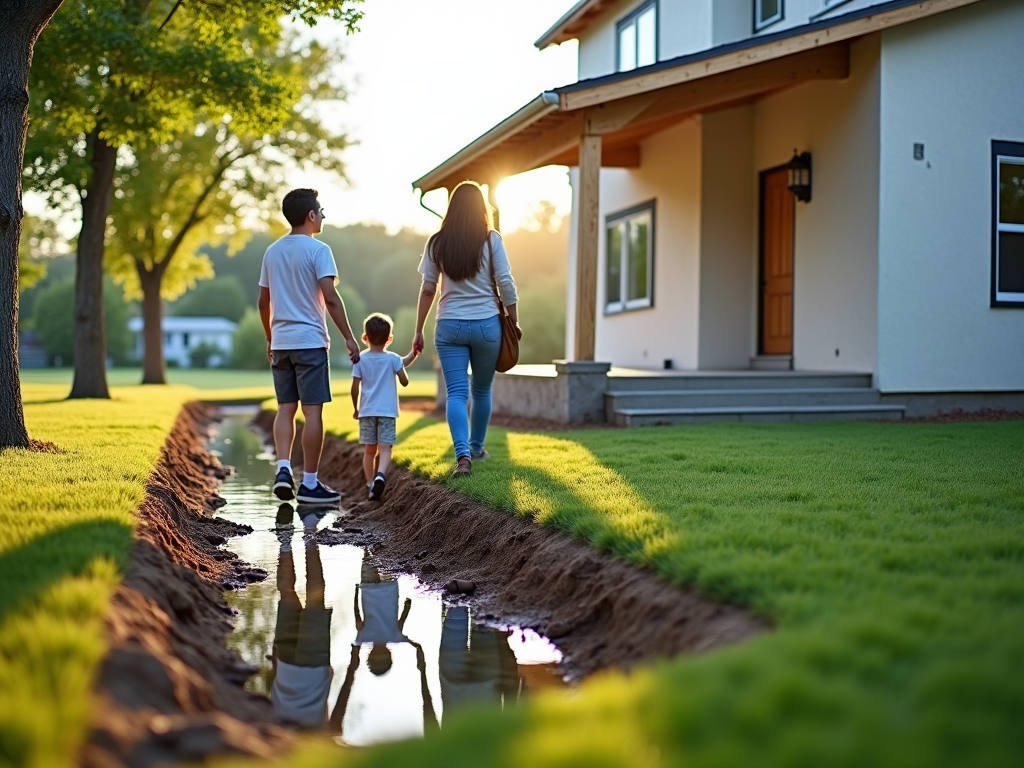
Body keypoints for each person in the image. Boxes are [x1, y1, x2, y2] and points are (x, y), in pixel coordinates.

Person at [258, 188, 360, 505]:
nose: (323, 216)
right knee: (312, 412)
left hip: (282, 342)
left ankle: (284, 470)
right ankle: (311, 485)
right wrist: (349, 336)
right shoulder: (319, 250)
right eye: (321, 210)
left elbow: (264, 302)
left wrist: (269, 338)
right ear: (311, 216)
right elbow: (330, 297)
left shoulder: (271, 252)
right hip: (311, 342)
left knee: (285, 409)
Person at [413, 181, 520, 478]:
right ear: (481, 209)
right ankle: (475, 448)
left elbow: (427, 289)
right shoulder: (491, 240)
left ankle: (462, 456)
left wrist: (419, 329)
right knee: (482, 389)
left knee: (457, 394)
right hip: (487, 326)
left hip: (448, 327)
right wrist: (513, 320)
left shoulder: (437, 242)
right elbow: (506, 284)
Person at [270, 504, 334, 729]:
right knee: (287, 593)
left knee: (315, 598)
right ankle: (285, 541)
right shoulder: (279, 736)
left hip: (315, 667)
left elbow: (336, 722)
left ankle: (310, 535)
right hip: (285, 669)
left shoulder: (317, 742)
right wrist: (276, 655)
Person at [351, 313, 418, 501]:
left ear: (365, 337)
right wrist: (402, 370)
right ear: (389, 339)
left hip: (366, 412)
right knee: (385, 449)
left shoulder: (360, 359)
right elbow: (404, 380)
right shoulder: (393, 359)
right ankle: (381, 475)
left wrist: (355, 408)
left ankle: (370, 484)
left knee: (369, 451)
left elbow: (355, 387)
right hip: (387, 412)